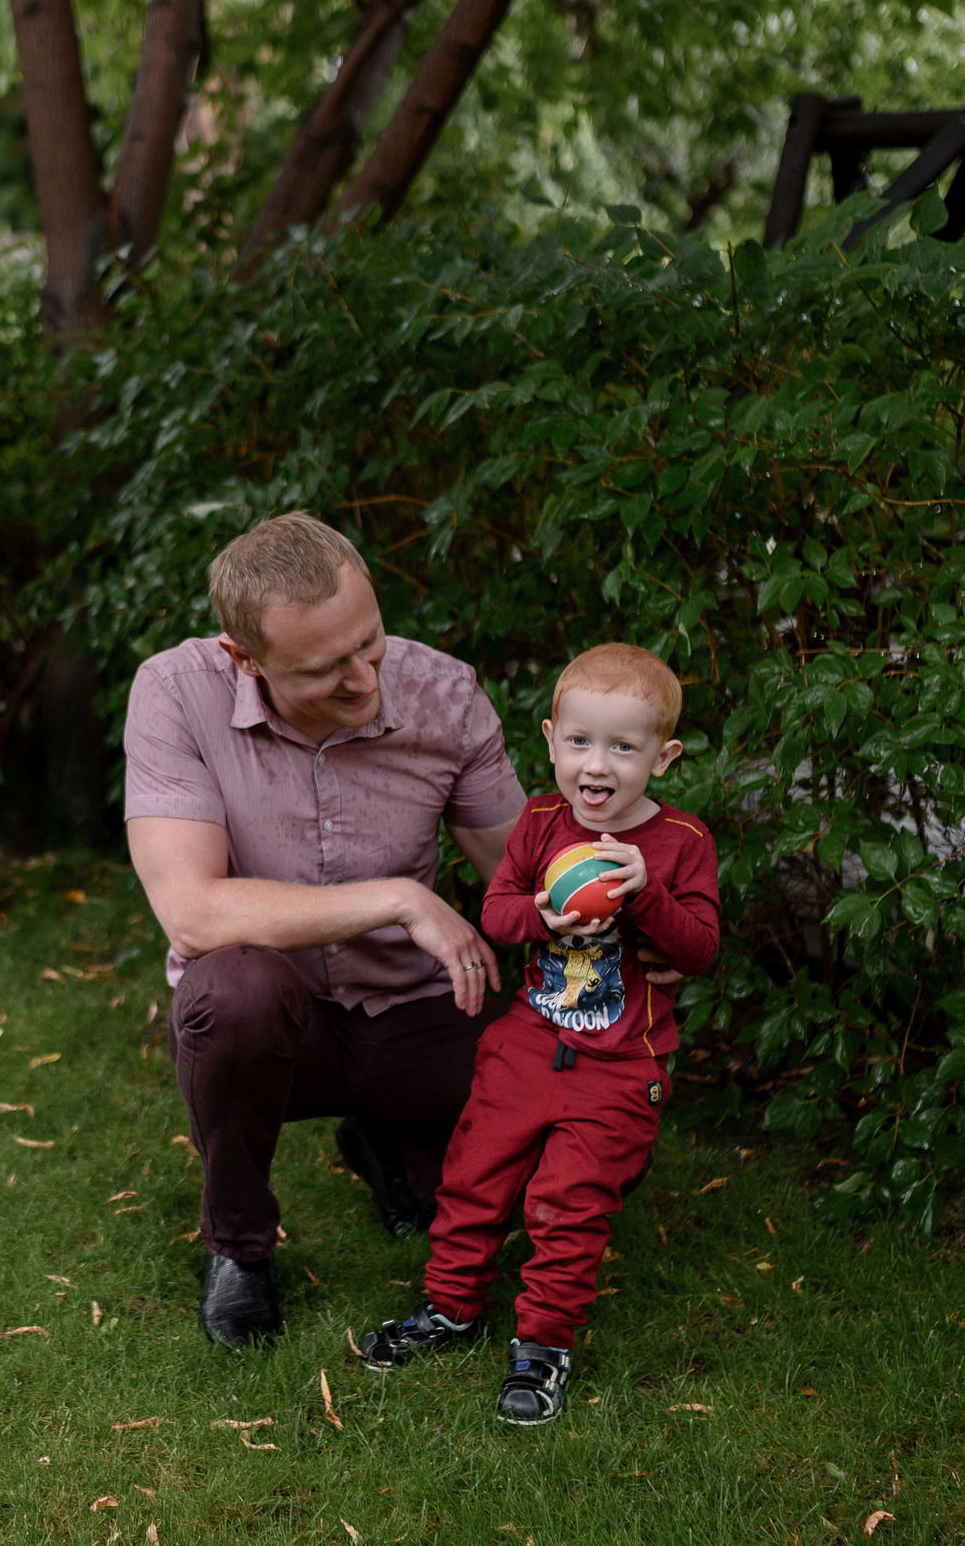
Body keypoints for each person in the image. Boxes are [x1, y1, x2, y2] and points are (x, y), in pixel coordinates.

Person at [123, 513, 526, 1347]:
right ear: (245, 658)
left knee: (571, 1124)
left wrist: (635, 931)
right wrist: (400, 899)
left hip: (419, 1014)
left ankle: (394, 1142)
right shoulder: (176, 693)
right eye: (322, 668)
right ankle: (239, 1244)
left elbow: (521, 877)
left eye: (369, 643)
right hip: (277, 1027)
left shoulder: (444, 693)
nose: (363, 679)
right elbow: (192, 913)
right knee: (233, 992)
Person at [355, 643, 719, 1424]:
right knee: (472, 1175)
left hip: (619, 1063)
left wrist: (646, 894)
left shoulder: (682, 842)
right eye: (580, 741)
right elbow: (496, 911)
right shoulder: (542, 821)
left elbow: (699, 949)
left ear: (663, 758)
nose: (598, 764)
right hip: (527, 1043)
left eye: (624, 747)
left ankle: (543, 1346)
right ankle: (451, 1305)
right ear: (551, 740)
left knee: (567, 1204)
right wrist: (542, 916)